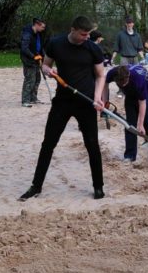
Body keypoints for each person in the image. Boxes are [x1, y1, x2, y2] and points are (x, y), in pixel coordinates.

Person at [20, 16, 106, 202]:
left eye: (88, 34)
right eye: (83, 34)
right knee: (48, 143)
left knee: (92, 145)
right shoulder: (55, 44)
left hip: (86, 102)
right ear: (73, 29)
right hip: (62, 101)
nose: (86, 38)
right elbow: (45, 65)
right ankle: (36, 186)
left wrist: (98, 97)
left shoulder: (93, 48)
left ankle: (98, 187)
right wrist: (47, 71)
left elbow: (100, 75)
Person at [103, 64, 148, 164]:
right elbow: (104, 83)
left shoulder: (138, 79)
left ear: (128, 76)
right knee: (129, 125)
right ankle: (130, 155)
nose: (123, 86)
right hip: (130, 95)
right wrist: (105, 102)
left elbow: (142, 102)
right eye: (120, 85)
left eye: (125, 83)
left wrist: (140, 124)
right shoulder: (112, 73)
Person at [20, 17, 47, 107]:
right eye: (42, 27)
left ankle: (33, 98)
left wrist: (43, 57)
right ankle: (25, 100)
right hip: (28, 60)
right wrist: (33, 56)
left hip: (36, 60)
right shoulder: (27, 34)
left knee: (37, 79)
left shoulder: (37, 34)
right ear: (37, 24)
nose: (43, 29)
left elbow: (40, 47)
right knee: (29, 80)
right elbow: (24, 48)